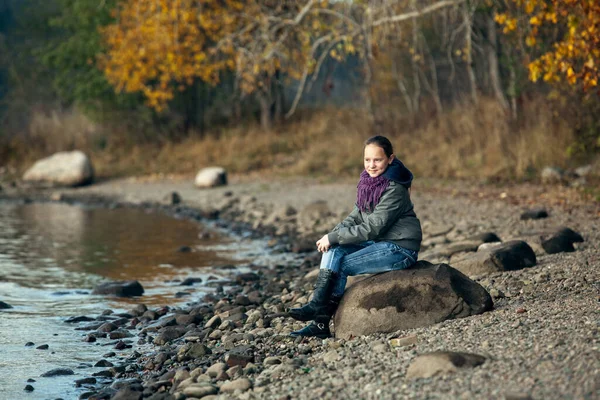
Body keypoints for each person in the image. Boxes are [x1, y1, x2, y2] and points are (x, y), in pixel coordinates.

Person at [288, 135, 422, 338]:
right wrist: (331, 236)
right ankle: (319, 318)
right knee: (335, 249)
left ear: (390, 159)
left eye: (377, 160)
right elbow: (355, 217)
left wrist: (334, 237)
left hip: (399, 248)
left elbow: (371, 228)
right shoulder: (368, 184)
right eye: (367, 160)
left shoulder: (394, 188)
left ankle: (318, 312)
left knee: (341, 264)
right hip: (381, 242)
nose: (371, 165)